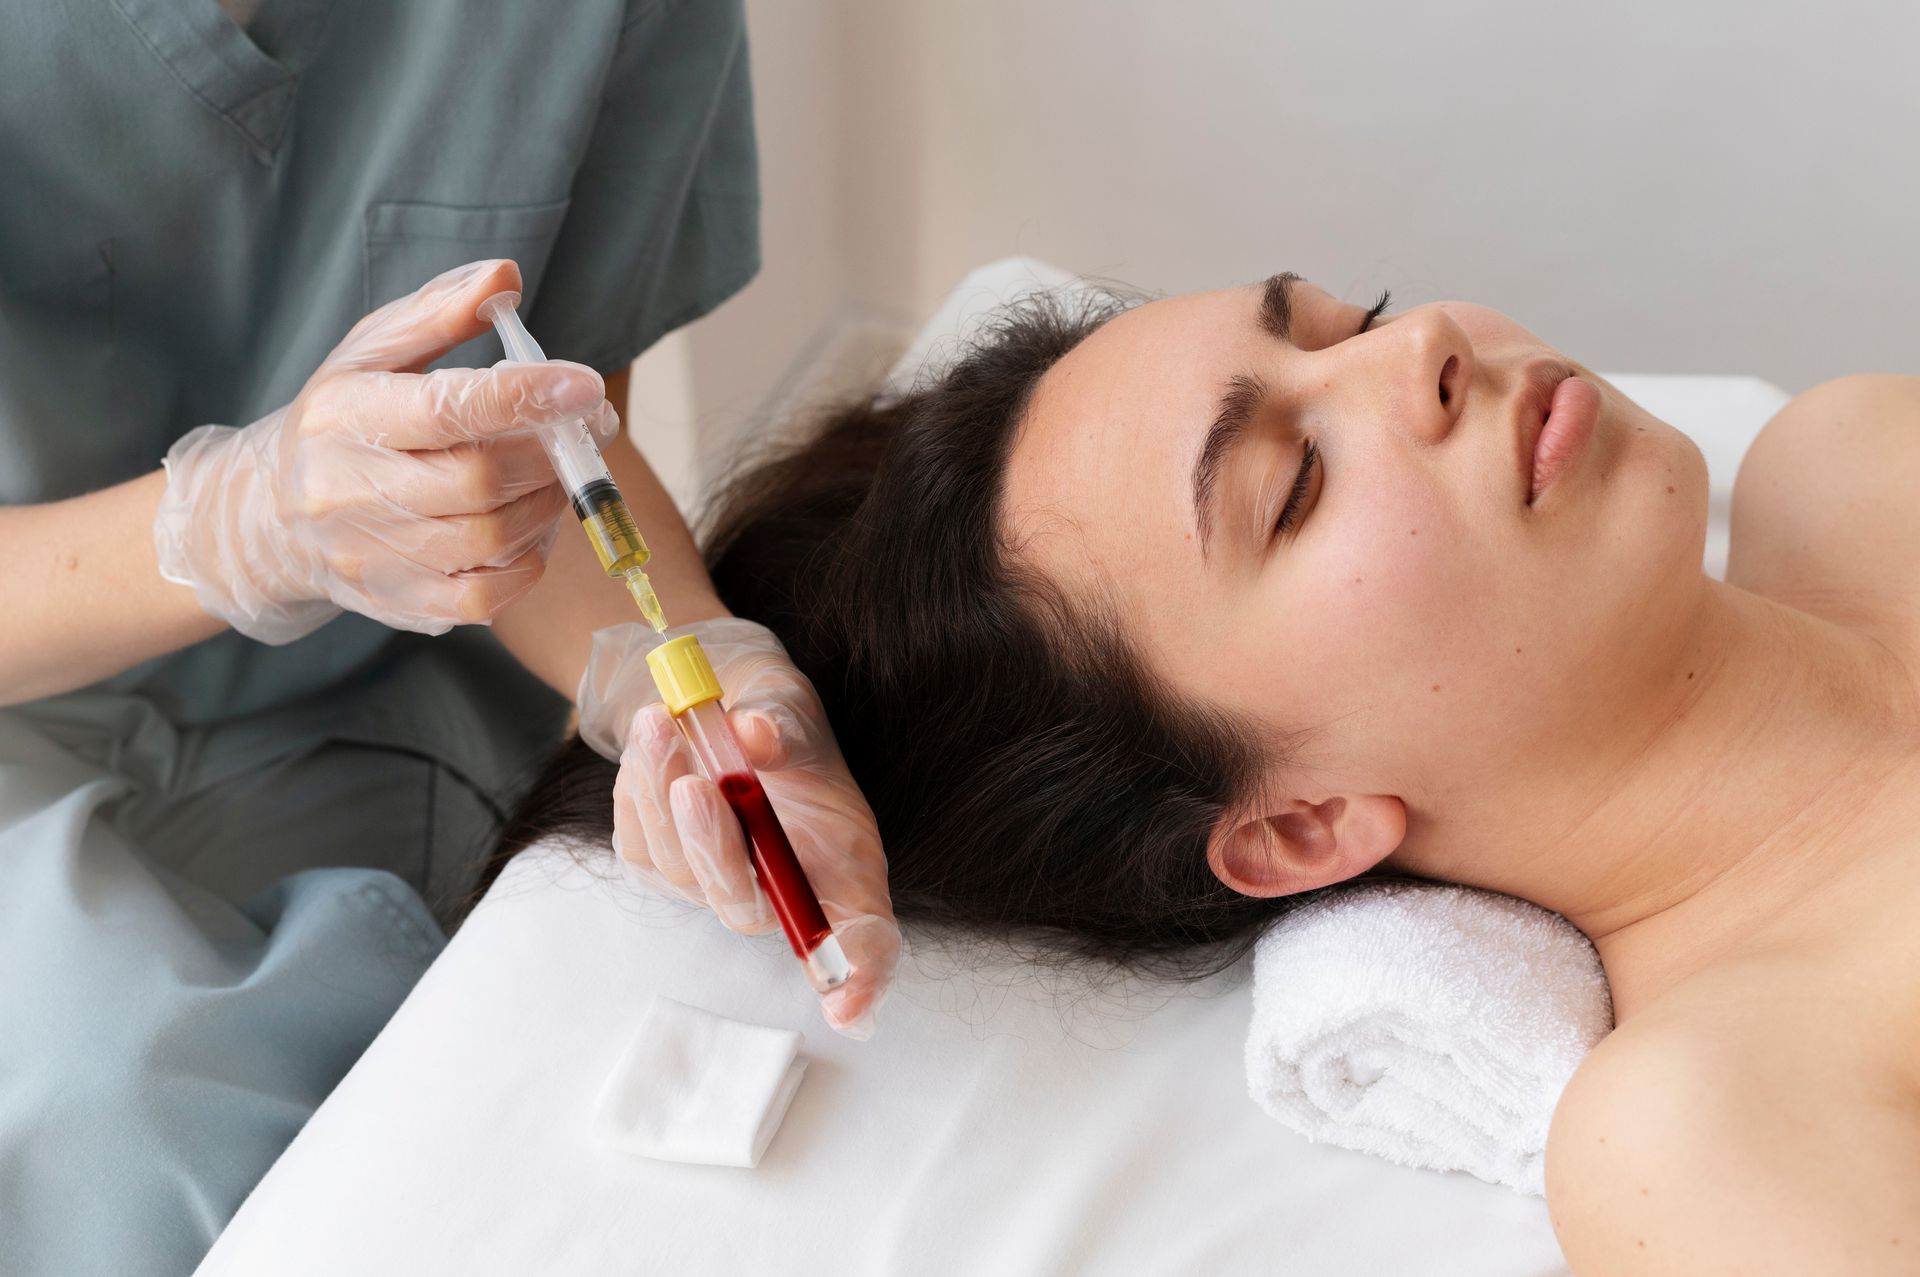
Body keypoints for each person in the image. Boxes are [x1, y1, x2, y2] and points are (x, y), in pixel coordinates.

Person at [504, 275, 1920, 1271]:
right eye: (1294, 486)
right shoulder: (1709, 1124)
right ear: (1303, 825)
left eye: (1353, 321)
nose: (1425, 346)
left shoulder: (1856, 459)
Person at [0, 3, 895, 1273]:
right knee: (109, 1127)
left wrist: (686, 662)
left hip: (386, 704)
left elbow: (551, 453)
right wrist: (228, 524)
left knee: (449, 1131)